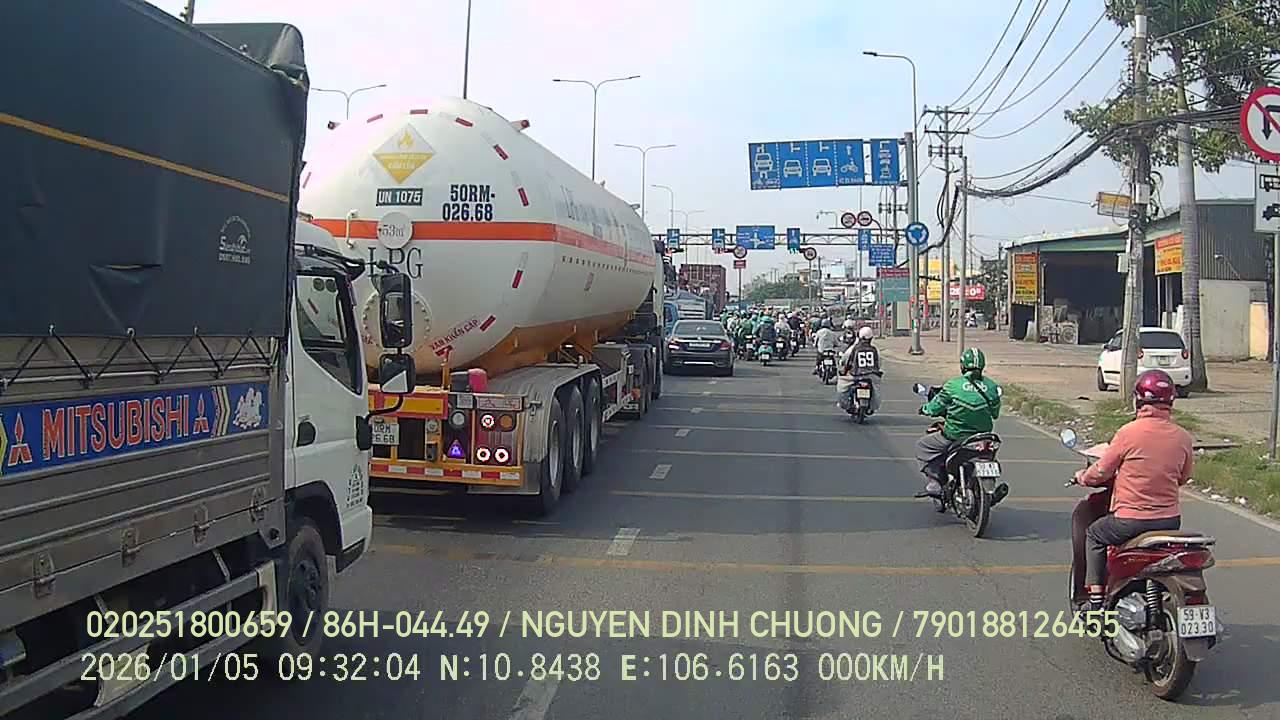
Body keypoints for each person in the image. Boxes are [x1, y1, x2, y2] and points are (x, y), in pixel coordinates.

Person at [1074, 369, 1192, 611]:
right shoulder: (1183, 437)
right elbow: (1183, 477)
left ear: (1138, 400)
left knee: (1094, 535)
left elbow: (1102, 471)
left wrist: (1083, 477)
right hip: (1170, 521)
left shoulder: (1128, 433)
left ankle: (1095, 600)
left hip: (1130, 521)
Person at [915, 347, 1002, 497]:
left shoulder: (952, 385)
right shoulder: (992, 387)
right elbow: (995, 414)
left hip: (955, 435)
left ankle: (934, 482)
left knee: (922, 446)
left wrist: (925, 409)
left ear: (962, 366)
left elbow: (935, 407)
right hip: (983, 436)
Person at [837, 326, 883, 413]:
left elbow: (846, 360)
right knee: (877, 390)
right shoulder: (875, 349)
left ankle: (845, 404)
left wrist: (843, 370)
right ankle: (872, 407)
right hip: (871, 376)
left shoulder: (853, 348)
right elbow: (879, 363)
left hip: (856, 375)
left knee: (842, 386)